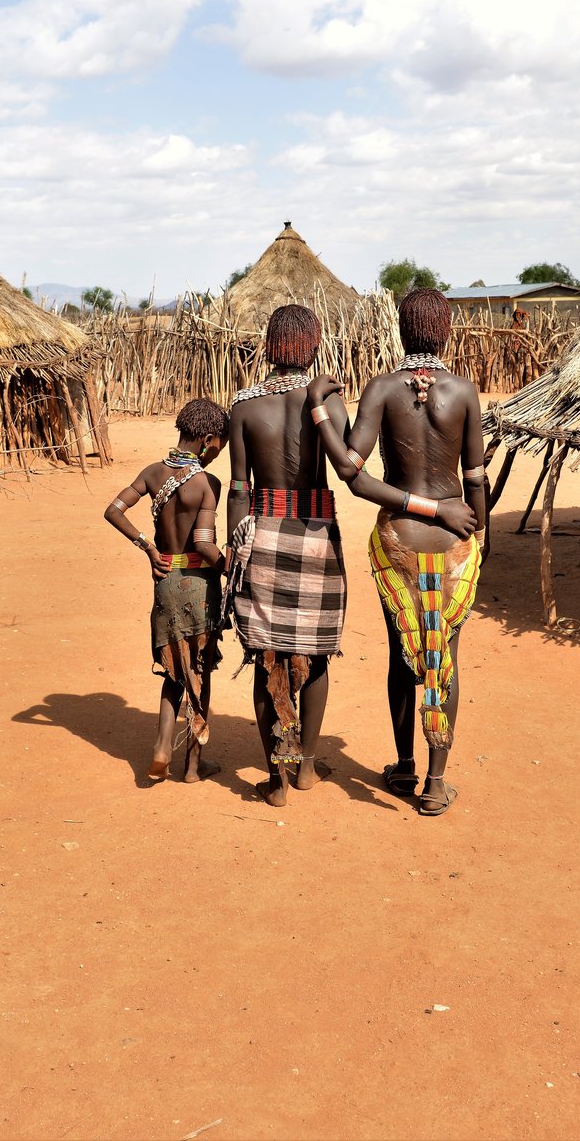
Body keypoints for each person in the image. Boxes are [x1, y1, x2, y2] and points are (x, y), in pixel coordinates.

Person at [307, 288, 486, 816]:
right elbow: (475, 480)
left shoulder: (382, 390)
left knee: (401, 654)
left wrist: (321, 412)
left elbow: (353, 475)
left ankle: (404, 765)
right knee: (442, 656)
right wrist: (479, 543)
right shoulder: (465, 391)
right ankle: (434, 783)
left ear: (402, 329)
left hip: (398, 543)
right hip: (455, 545)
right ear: (444, 330)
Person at [222, 305, 350, 806]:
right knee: (314, 655)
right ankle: (306, 770)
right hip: (317, 534)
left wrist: (238, 552)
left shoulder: (243, 407)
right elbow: (349, 466)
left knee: (266, 656)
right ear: (312, 344)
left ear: (271, 346)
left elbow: (238, 489)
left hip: (264, 536)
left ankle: (276, 781)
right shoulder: (328, 401)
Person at [104, 397, 230, 784]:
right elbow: (206, 546)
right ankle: (193, 766)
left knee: (173, 671)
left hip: (165, 583)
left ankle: (161, 747)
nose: (215, 456)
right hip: (198, 586)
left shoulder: (153, 472)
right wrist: (233, 570)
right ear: (209, 439)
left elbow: (113, 510)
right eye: (217, 448)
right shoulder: (206, 484)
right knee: (200, 670)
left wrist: (149, 547)